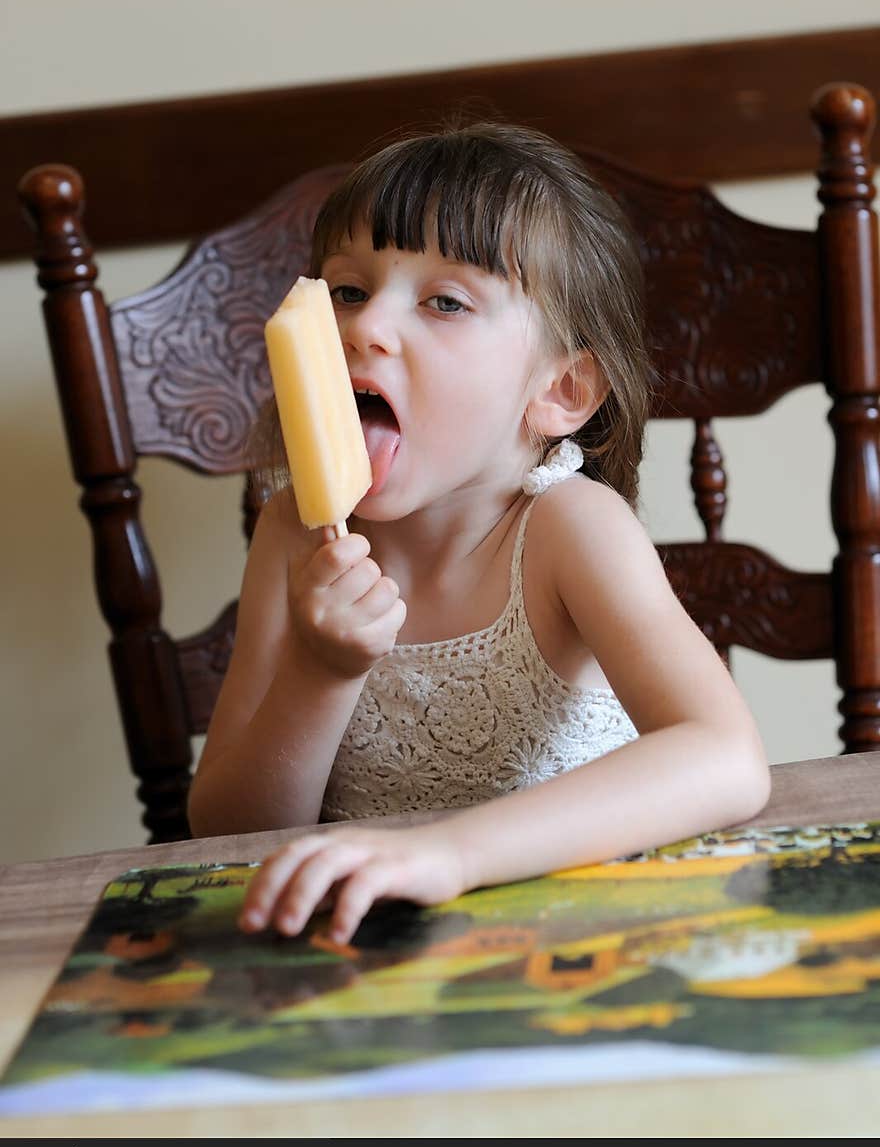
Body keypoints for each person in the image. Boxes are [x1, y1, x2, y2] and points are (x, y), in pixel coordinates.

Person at [187, 121, 770, 945]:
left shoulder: (568, 530)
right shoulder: (293, 533)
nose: (365, 327)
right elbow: (226, 827)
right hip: (375, 953)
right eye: (348, 290)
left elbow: (724, 757)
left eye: (445, 302)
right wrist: (319, 675)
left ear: (561, 391)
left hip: (582, 943)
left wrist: (448, 856)